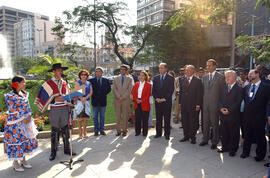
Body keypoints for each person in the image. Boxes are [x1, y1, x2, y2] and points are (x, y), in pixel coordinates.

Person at [35, 63, 76, 161]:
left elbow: (67, 94)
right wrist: (56, 99)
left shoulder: (65, 82)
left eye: (61, 70)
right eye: (58, 70)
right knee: (55, 130)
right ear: (53, 71)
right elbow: (45, 96)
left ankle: (67, 149)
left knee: (66, 129)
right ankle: (53, 151)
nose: (60, 72)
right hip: (55, 108)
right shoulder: (48, 83)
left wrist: (72, 98)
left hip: (65, 108)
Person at [4, 76, 38, 172]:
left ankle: (23, 160)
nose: (25, 84)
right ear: (17, 83)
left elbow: (27, 107)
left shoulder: (24, 94)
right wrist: (23, 119)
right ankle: (15, 162)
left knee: (25, 140)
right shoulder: (10, 96)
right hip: (15, 123)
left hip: (25, 122)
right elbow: (12, 109)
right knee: (16, 141)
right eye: (23, 82)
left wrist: (29, 116)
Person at [240, 69, 270, 162]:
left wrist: (268, 116)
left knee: (260, 136)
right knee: (247, 135)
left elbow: (268, 103)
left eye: (251, 74)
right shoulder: (247, 88)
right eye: (249, 74)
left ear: (257, 75)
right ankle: (245, 152)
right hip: (247, 117)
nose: (249, 75)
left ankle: (260, 155)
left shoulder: (266, 87)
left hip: (260, 117)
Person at [199, 59, 225, 150]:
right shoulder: (204, 77)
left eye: (209, 65)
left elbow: (222, 92)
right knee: (205, 123)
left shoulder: (220, 77)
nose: (207, 67)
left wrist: (221, 105)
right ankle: (205, 139)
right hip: (205, 104)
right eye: (207, 65)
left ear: (214, 66)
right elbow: (202, 91)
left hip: (215, 104)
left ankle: (215, 141)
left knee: (214, 123)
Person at [218, 70, 243, 157]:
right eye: (226, 77)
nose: (226, 78)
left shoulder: (239, 89)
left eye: (228, 76)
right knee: (224, 132)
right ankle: (224, 147)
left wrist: (229, 110)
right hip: (223, 114)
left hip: (233, 115)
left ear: (234, 77)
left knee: (234, 133)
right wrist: (221, 108)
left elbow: (238, 102)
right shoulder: (223, 88)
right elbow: (220, 100)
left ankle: (233, 149)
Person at [179, 65, 203, 144]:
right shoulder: (182, 79)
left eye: (188, 70)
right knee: (184, 121)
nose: (187, 72)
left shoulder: (198, 81)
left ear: (193, 71)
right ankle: (186, 136)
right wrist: (179, 103)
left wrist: (198, 104)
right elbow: (181, 92)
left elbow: (199, 94)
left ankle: (193, 137)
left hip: (193, 105)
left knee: (193, 121)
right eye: (186, 70)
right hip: (184, 104)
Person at [152, 63, 174, 140]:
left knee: (167, 118)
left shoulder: (170, 78)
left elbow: (171, 90)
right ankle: (158, 133)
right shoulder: (155, 78)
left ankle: (167, 134)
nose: (160, 69)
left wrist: (164, 98)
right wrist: (156, 98)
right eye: (159, 68)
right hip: (158, 102)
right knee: (158, 118)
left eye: (162, 68)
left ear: (166, 69)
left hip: (166, 102)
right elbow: (153, 90)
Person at [89, 67, 111, 136]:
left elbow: (109, 89)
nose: (97, 73)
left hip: (103, 101)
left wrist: (103, 94)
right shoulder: (91, 81)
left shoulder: (106, 80)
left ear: (102, 73)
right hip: (95, 101)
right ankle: (96, 130)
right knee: (95, 117)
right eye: (96, 72)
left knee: (102, 116)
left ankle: (102, 130)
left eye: (99, 71)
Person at [113, 64, 134, 136]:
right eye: (121, 69)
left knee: (125, 116)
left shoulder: (129, 79)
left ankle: (124, 130)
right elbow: (114, 89)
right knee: (118, 116)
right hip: (117, 100)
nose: (122, 71)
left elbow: (129, 89)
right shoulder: (115, 78)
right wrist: (118, 96)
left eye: (123, 70)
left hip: (125, 100)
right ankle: (118, 130)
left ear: (126, 71)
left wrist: (123, 97)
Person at [132, 70, 152, 136]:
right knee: (137, 118)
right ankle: (137, 132)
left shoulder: (149, 85)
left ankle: (144, 133)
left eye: (142, 75)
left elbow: (148, 94)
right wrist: (136, 99)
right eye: (140, 75)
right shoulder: (136, 84)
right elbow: (133, 93)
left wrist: (142, 100)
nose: (141, 77)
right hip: (137, 102)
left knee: (145, 119)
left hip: (145, 103)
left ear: (146, 77)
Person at [74, 70, 92, 138]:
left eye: (85, 74)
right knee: (79, 118)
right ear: (80, 76)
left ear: (87, 76)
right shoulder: (78, 83)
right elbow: (76, 91)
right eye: (82, 74)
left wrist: (85, 98)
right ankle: (80, 134)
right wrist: (81, 99)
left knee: (85, 118)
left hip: (86, 101)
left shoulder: (89, 83)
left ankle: (85, 133)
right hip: (79, 102)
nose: (83, 76)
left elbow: (91, 92)